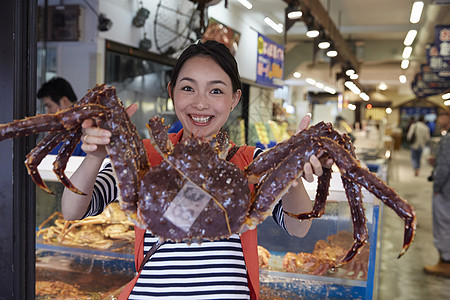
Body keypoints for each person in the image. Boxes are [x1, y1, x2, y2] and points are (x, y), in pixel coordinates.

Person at [61, 40, 332, 299]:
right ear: (172, 91)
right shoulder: (145, 157)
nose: (200, 103)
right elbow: (73, 210)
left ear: (235, 98)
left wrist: (290, 174)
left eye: (216, 90)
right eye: (188, 88)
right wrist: (95, 156)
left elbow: (299, 228)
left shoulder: (252, 164)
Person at [424, 111, 450, 278]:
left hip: (446, 190)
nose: (439, 119)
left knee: (443, 225)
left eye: (442, 115)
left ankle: (445, 263)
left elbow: (445, 168)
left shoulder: (448, 140)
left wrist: (437, 188)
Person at [37, 77, 86, 156]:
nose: (48, 112)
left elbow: (48, 159)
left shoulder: (74, 128)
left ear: (64, 101)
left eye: (49, 106)